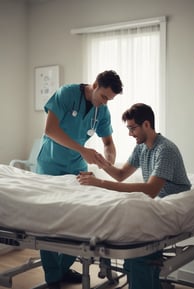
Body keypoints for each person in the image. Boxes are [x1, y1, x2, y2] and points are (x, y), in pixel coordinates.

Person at [77, 103, 191, 289]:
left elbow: (151, 189)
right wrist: (101, 164)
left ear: (146, 124)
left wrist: (101, 184)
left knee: (139, 255)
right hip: (155, 205)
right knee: (132, 249)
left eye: (132, 128)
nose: (130, 134)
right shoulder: (142, 148)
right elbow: (121, 175)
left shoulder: (165, 150)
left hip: (173, 206)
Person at [36, 70, 123, 289]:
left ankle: (64, 267)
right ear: (95, 85)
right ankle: (53, 277)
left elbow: (108, 143)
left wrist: (109, 160)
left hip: (77, 168)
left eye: (109, 100)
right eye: (103, 96)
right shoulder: (67, 94)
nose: (104, 103)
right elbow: (50, 130)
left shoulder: (102, 111)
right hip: (51, 165)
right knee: (47, 221)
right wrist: (83, 149)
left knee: (79, 220)